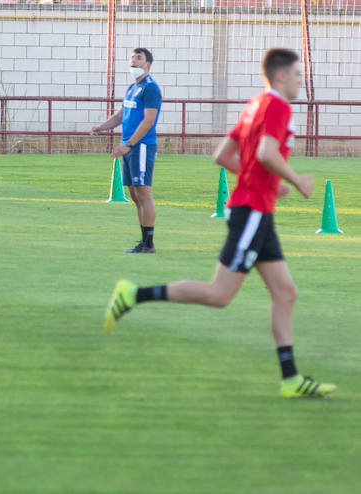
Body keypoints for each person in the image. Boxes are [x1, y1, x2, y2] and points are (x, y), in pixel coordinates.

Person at [104, 48, 335, 398]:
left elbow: (223, 155)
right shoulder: (276, 106)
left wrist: (267, 182)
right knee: (219, 294)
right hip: (253, 212)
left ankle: (291, 380)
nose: (301, 80)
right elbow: (266, 154)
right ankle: (132, 294)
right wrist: (295, 181)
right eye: (298, 74)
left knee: (285, 293)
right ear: (281, 77)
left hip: (258, 210)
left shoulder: (255, 104)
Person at [92, 48, 162, 253]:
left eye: (138, 58)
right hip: (129, 146)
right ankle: (143, 241)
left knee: (143, 192)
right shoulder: (133, 88)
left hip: (140, 147)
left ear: (147, 63)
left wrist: (128, 144)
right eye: (131, 58)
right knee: (134, 194)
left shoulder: (150, 88)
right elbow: (120, 116)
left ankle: (149, 243)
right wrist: (101, 127)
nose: (133, 61)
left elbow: (149, 121)